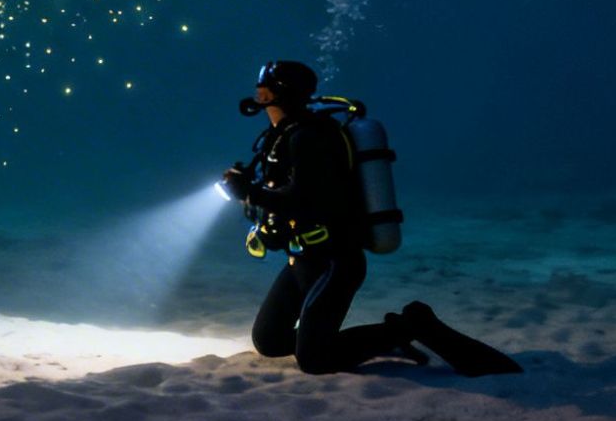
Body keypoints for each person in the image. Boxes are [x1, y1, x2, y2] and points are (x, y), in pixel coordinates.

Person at [220, 59, 521, 376]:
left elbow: (305, 201)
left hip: (333, 261)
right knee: (270, 341)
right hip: (301, 258)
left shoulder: (310, 137)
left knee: (315, 360)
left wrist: (250, 193)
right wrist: (255, 200)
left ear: (283, 93)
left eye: (264, 92)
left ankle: (409, 326)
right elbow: (282, 197)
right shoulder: (280, 137)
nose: (258, 98)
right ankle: (376, 341)